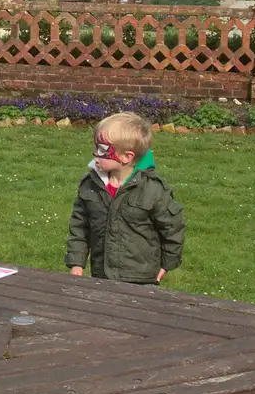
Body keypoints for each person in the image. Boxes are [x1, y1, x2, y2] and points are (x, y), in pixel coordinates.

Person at [66, 112, 184, 285]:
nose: (95, 154)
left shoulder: (152, 189)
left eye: (102, 150)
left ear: (126, 157)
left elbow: (172, 227)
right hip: (101, 275)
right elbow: (79, 226)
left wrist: (167, 264)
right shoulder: (91, 185)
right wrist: (77, 262)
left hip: (141, 278)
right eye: (95, 147)